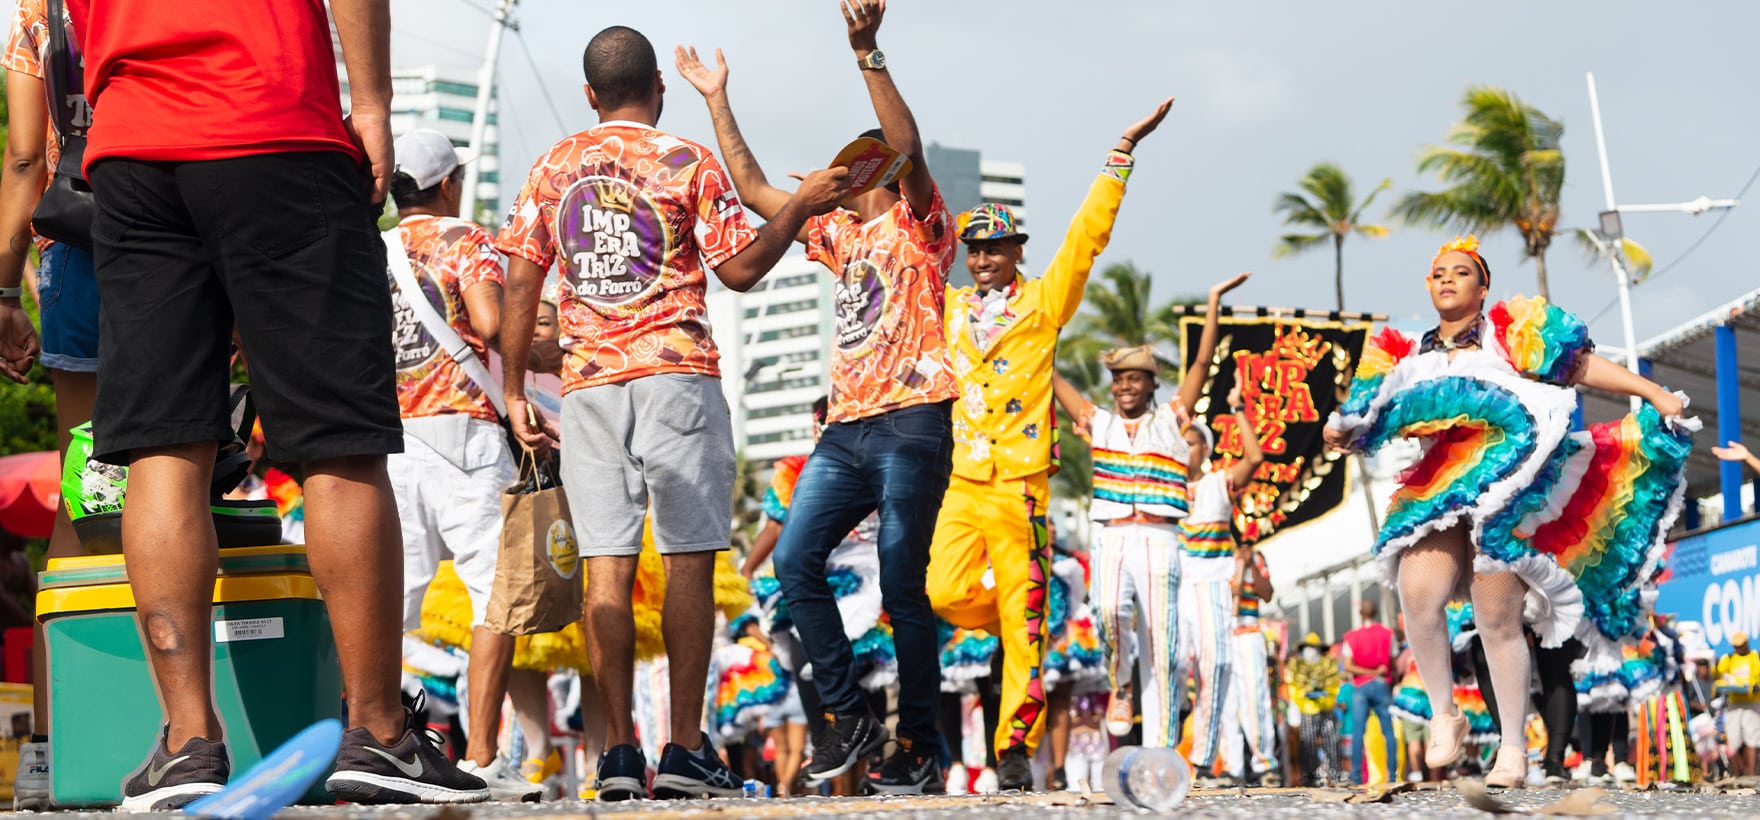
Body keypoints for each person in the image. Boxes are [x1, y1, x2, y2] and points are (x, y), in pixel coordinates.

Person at [68, 0, 496, 806]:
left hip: (132, 145)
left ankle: (187, 744)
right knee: (339, 442)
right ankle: (377, 734)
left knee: (163, 447)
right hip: (273, 121)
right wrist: (371, 103)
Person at [494, 25, 848, 802]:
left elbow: (521, 285)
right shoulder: (685, 159)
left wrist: (517, 389)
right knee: (689, 558)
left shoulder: (553, 167)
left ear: (590, 94)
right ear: (658, 86)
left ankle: (618, 755)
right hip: (677, 378)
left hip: (587, 389)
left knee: (606, 571)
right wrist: (802, 208)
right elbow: (742, 268)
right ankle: (684, 750)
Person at [678, 0, 955, 794]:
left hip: (912, 421)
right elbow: (759, 189)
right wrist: (716, 98)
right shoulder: (837, 237)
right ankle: (849, 715)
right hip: (846, 433)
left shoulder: (919, 227)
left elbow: (908, 146)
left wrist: (868, 52)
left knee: (903, 583)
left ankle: (919, 744)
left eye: (853, 170)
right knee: (795, 564)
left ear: (874, 178)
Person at [1324, 235, 1694, 789]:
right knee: (1418, 596)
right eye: (1438, 273)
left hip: (1508, 498)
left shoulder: (1509, 333)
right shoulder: (1405, 356)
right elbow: (1364, 414)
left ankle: (1515, 751)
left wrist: (1654, 395)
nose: (1447, 279)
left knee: (1497, 620)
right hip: (1438, 491)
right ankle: (1445, 711)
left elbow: (1582, 367)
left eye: (1460, 271)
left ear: (1482, 285)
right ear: (1428, 286)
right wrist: (1341, 432)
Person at [927, 95, 1173, 791]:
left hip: (1023, 490)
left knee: (1025, 623)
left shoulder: (1043, 303)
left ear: (1015, 254)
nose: (980, 259)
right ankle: (1013, 620)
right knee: (944, 593)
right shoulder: (946, 309)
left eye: (993, 248)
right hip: (965, 485)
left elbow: (1086, 237)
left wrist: (1119, 159)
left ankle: (1013, 749)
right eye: (973, 249)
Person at [381, 129, 542, 801]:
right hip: (465, 434)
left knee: (395, 598)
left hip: (390, 438)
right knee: (492, 597)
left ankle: (379, 744)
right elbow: (487, 318)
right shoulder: (465, 240)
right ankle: (478, 757)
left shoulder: (372, 248)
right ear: (448, 184)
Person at [1, 0, 97, 805]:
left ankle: (48, 748)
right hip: (185, 243)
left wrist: (4, 288)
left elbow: (27, 156)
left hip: (77, 249)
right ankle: (187, 734)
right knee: (188, 475)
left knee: (79, 492)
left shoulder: (43, 13)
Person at [1049, 343, 1203, 756]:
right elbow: (1050, 376)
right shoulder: (1099, 423)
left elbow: (1202, 363)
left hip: (1161, 537)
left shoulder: (1171, 421)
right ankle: (1122, 682)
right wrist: (1038, 331)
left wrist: (1213, 302)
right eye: (1118, 379)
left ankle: (1161, 748)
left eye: (1134, 378)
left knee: (1163, 644)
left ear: (1152, 384)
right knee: (1107, 610)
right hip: (1113, 535)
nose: (1124, 386)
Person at [1339, 599, 1397, 785]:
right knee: (1388, 731)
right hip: (1381, 683)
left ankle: (1356, 776)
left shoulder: (1351, 637)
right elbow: (1392, 662)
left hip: (1360, 687)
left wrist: (1366, 673)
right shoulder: (1388, 634)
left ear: (1360, 614)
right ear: (1376, 612)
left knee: (1358, 731)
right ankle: (1393, 775)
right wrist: (1378, 672)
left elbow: (1348, 666)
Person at [1287, 633, 1344, 786]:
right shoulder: (1297, 666)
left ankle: (1335, 773)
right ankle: (1310, 777)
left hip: (1325, 708)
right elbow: (1294, 687)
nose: (1311, 651)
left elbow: (1333, 685)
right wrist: (1304, 695)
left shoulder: (1329, 664)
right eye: (1308, 648)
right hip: (1308, 709)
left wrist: (1325, 697)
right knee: (1308, 744)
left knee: (1331, 740)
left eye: (1313, 648)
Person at [1715, 632, 1760, 777]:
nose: (1738, 649)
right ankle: (1736, 773)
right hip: (1734, 703)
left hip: (1752, 703)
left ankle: (1751, 774)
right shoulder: (1728, 659)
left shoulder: (1754, 657)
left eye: (1741, 646)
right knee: (1733, 739)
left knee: (1752, 739)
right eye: (1736, 647)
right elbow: (1719, 675)